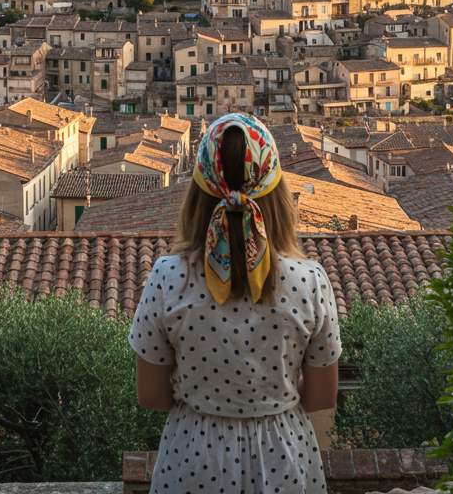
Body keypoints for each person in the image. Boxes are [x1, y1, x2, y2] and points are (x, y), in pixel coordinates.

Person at [128, 113, 340, 493]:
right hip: (284, 460)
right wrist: (270, 396)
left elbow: (152, 395)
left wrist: (212, 398)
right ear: (277, 192)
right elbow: (323, 395)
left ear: (198, 192)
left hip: (192, 460)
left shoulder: (167, 278)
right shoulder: (310, 282)